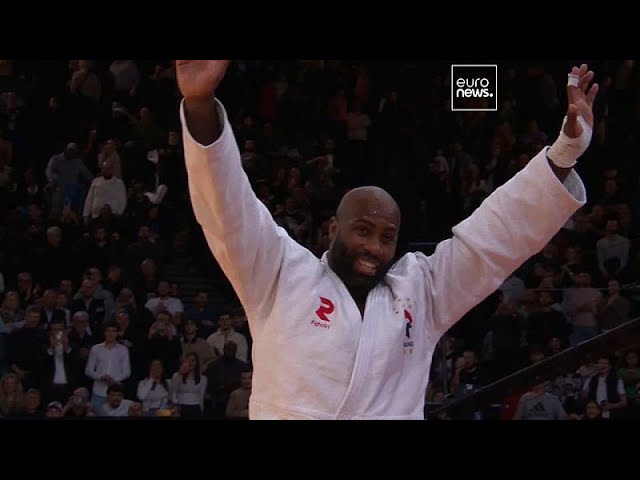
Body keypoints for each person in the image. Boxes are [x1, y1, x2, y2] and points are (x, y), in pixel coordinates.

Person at [177, 60, 597, 420]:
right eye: (363, 231)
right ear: (332, 230)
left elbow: (494, 238)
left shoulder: (420, 293)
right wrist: (199, 104)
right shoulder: (280, 275)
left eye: (387, 237)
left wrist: (562, 154)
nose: (374, 248)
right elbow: (228, 209)